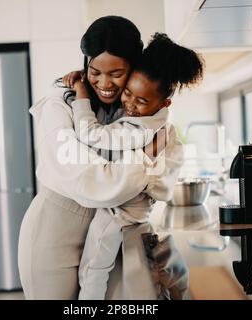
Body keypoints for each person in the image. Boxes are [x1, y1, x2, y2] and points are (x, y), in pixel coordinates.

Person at [17, 16, 181, 299]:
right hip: (55, 231)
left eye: (116, 73)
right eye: (95, 71)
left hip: (108, 232)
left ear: (134, 68)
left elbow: (165, 167)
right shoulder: (59, 105)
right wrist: (144, 160)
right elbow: (92, 184)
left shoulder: (132, 108)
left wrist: (146, 170)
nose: (104, 83)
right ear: (85, 65)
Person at [65, 33, 203, 299]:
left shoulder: (140, 129)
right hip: (136, 211)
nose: (129, 104)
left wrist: (81, 94)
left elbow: (92, 133)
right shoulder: (160, 122)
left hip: (118, 213)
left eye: (140, 102)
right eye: (127, 93)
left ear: (164, 104)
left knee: (93, 268)